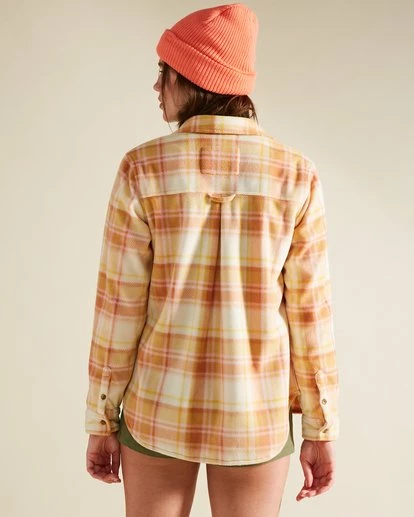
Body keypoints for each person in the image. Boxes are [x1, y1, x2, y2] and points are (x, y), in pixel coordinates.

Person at [85, 3, 340, 516]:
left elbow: (119, 308)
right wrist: (321, 426)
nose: (157, 86)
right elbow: (310, 316)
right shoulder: (296, 175)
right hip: (255, 414)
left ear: (191, 77)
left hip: (157, 406)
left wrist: (102, 418)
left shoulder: (142, 168)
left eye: (164, 71)